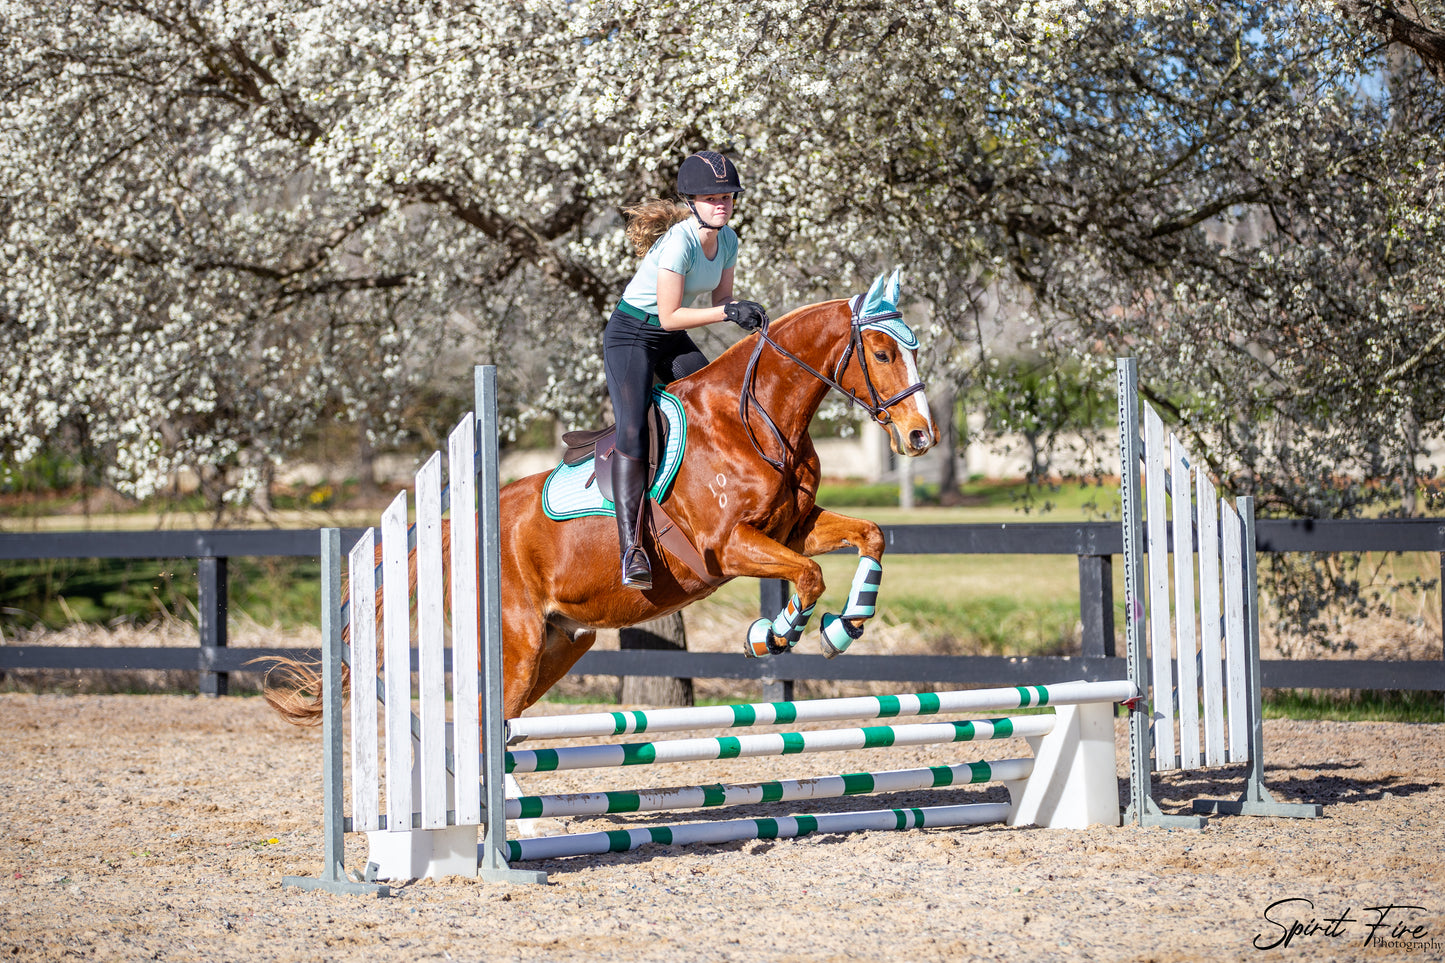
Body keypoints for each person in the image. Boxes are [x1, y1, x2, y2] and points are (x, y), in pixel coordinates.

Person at [604, 150, 769, 589]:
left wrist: (744, 316)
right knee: (634, 430)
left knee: (714, 401)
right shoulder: (679, 242)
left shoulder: (729, 240)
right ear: (692, 201)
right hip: (633, 335)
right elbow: (672, 314)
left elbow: (719, 303)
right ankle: (631, 548)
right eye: (711, 197)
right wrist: (729, 313)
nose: (722, 204)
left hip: (667, 335)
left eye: (728, 197)